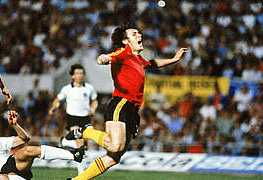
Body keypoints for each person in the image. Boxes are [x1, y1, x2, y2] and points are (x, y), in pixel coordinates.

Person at [65, 24, 188, 179]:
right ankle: (85, 131)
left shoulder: (138, 59)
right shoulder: (124, 52)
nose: (139, 35)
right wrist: (103, 58)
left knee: (114, 157)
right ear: (125, 40)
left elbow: (152, 63)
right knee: (115, 146)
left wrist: (173, 59)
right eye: (134, 33)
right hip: (121, 103)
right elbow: (107, 57)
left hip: (133, 110)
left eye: (139, 32)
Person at [0, 111, 85, 180]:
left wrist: (15, 125)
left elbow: (24, 139)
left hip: (11, 164)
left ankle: (74, 154)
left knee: (28, 150)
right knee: (1, 178)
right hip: (0, 177)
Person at [48, 64, 98, 174]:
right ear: (73, 76)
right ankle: (81, 173)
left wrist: (93, 108)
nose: (79, 75)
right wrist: (53, 107)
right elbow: (57, 100)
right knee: (80, 146)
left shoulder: (89, 88)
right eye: (77, 73)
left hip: (85, 118)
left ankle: (65, 141)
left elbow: (94, 100)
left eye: (81, 73)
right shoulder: (67, 89)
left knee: (83, 146)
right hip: (72, 118)